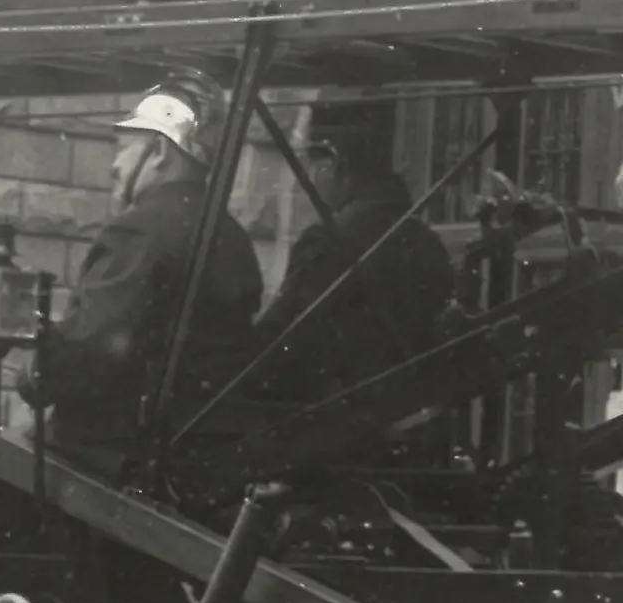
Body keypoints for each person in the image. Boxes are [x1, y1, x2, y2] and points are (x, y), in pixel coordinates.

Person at [30, 78, 263, 474]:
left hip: (120, 455)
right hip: (199, 451)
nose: (114, 166)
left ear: (157, 152)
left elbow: (92, 355)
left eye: (123, 149)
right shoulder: (233, 235)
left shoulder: (138, 232)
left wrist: (37, 371)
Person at [257, 102, 459, 407]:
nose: (310, 176)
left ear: (335, 163)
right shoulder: (423, 240)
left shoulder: (328, 243)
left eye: (313, 162)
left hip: (343, 420)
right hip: (408, 414)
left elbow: (285, 338)